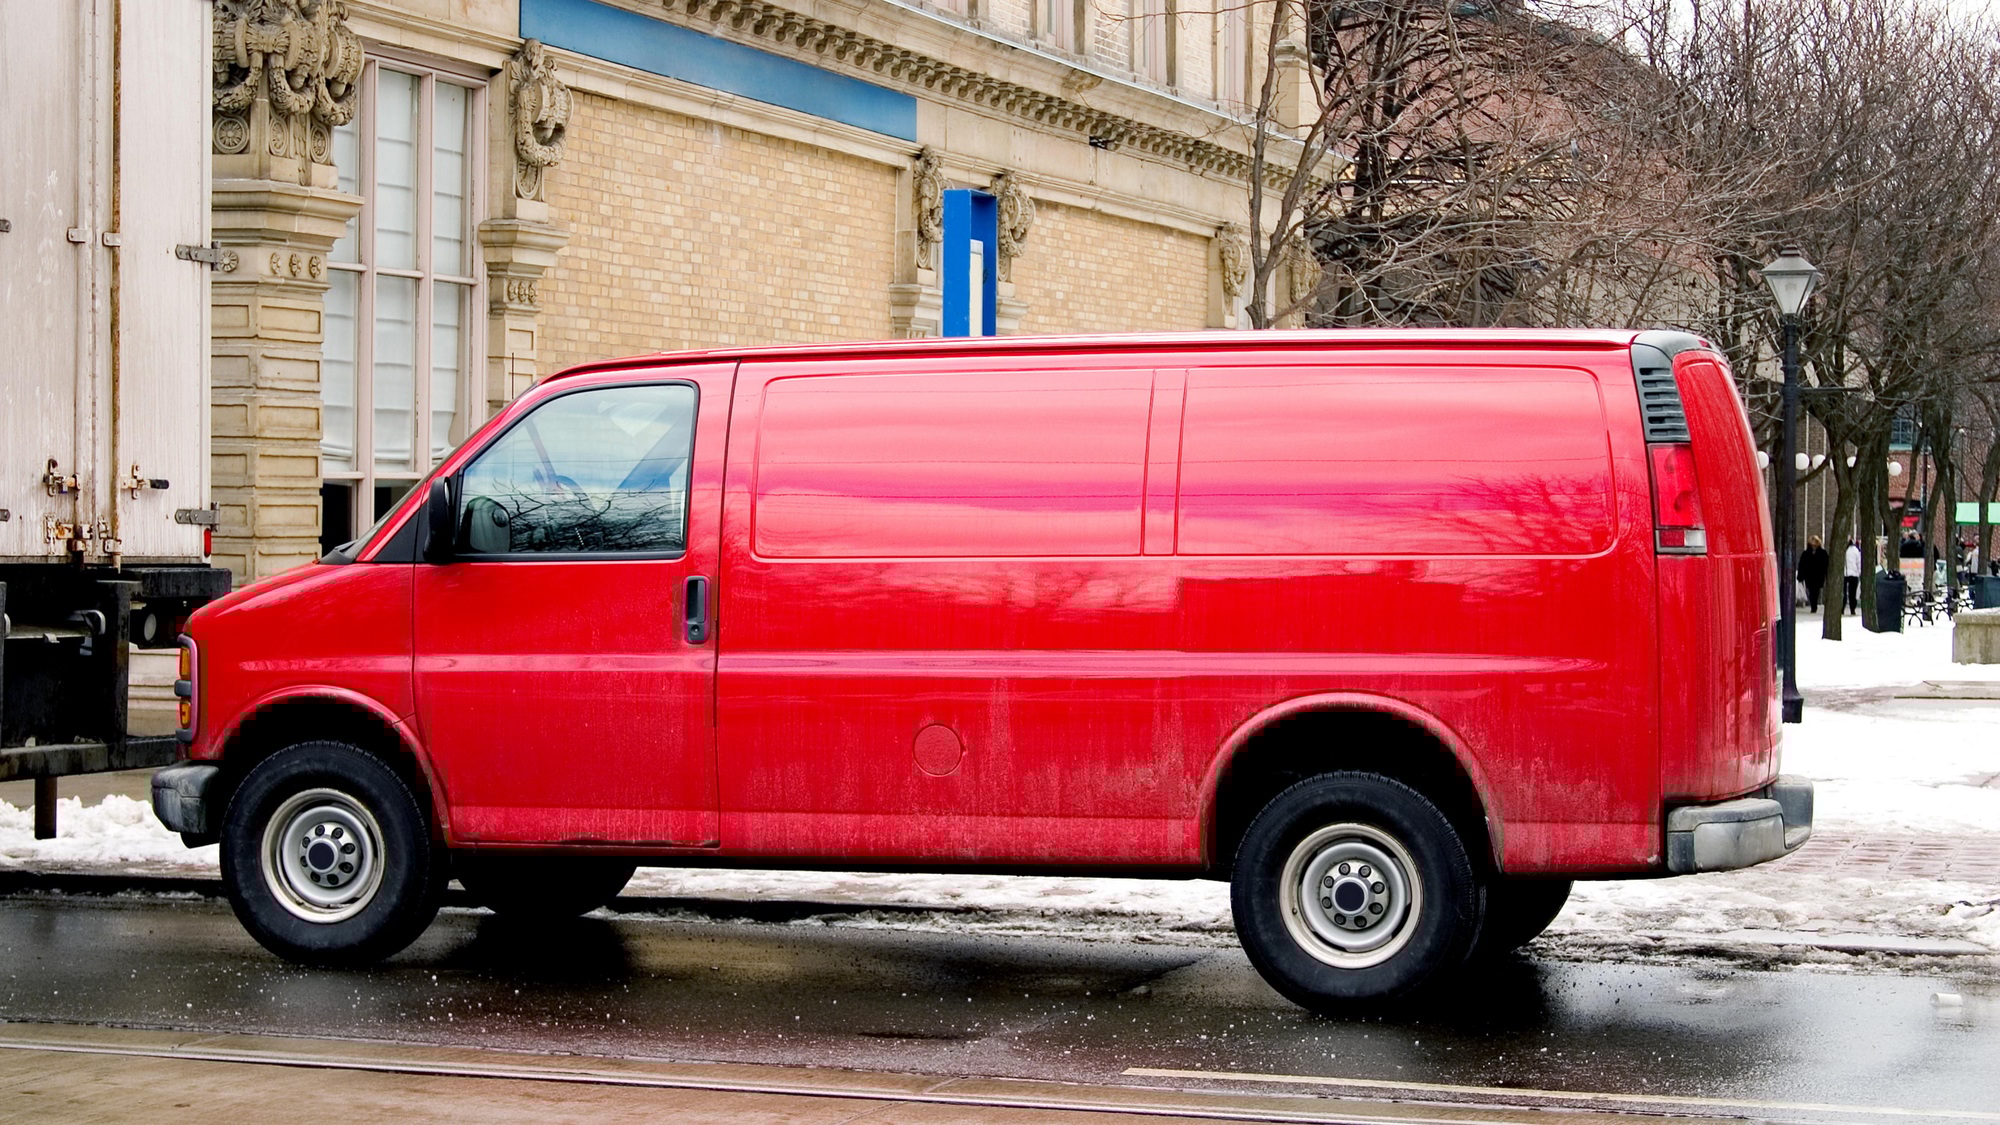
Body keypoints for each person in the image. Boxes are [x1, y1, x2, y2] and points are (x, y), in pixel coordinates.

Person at [1798, 536, 1830, 613]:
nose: (1813, 546)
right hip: (1809, 575)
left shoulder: (1822, 553)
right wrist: (1800, 576)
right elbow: (1802, 565)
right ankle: (1813, 605)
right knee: (1811, 591)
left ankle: (1814, 606)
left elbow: (1826, 564)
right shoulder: (1806, 553)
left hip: (1818, 575)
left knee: (1816, 591)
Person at [1844, 539, 1863, 615]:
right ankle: (1852, 609)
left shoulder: (1843, 550)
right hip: (1854, 574)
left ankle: (1842, 608)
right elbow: (1859, 562)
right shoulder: (1856, 550)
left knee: (1843, 592)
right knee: (1852, 593)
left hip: (1845, 573)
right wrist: (1858, 572)